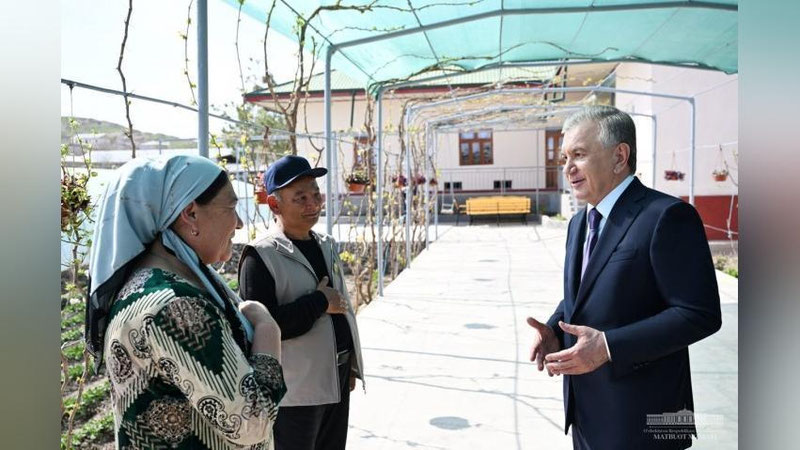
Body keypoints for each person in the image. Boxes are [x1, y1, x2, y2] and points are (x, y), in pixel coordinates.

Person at [526, 106, 722, 449]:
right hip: (586, 414)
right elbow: (585, 292)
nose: (568, 168)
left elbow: (699, 313)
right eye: (564, 157)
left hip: (647, 421)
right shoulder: (579, 222)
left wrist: (609, 346)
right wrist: (556, 329)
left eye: (579, 155)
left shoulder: (668, 217)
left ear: (620, 156)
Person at [86, 155, 287, 449]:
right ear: (190, 214)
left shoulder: (149, 285)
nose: (240, 223)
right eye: (231, 208)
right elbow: (251, 421)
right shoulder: (175, 306)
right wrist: (268, 329)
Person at [238, 155, 364, 450]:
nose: (313, 204)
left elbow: (340, 307)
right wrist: (319, 302)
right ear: (274, 204)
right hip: (296, 392)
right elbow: (261, 329)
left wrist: (349, 366)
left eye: (316, 194)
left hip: (336, 376)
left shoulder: (326, 244)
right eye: (300, 197)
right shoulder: (260, 256)